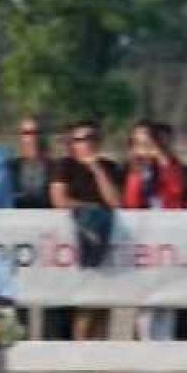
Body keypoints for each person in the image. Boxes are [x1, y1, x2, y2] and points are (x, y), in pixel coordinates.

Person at [122, 121, 187, 340]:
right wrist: (137, 172)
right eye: (139, 143)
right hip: (142, 251)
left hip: (174, 250)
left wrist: (162, 158)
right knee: (145, 312)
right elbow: (130, 203)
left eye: (150, 143)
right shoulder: (131, 173)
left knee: (177, 309)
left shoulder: (178, 170)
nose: (145, 149)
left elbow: (176, 192)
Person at [50, 120, 122, 340]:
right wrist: (87, 207)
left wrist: (96, 168)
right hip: (74, 245)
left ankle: (102, 360)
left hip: (105, 243)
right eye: (81, 139)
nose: (87, 143)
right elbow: (59, 199)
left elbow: (115, 201)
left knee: (103, 306)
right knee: (83, 309)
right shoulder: (65, 165)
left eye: (92, 138)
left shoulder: (109, 167)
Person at [6, 115, 54, 209]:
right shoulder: (10, 168)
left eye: (37, 132)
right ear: (20, 137)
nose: (33, 138)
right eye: (27, 133)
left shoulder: (56, 169)